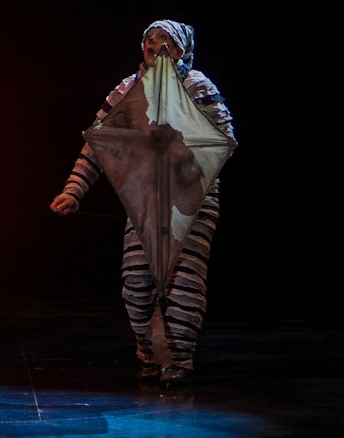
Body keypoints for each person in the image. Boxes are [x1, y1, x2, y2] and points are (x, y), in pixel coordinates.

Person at [51, 20, 236, 388]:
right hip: (145, 200)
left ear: (180, 49)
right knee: (137, 282)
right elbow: (99, 142)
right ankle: (149, 350)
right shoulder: (127, 91)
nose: (154, 47)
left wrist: (181, 154)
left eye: (163, 41)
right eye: (149, 41)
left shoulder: (198, 87)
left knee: (184, 281)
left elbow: (223, 139)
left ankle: (179, 360)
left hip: (192, 199)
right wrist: (74, 190)